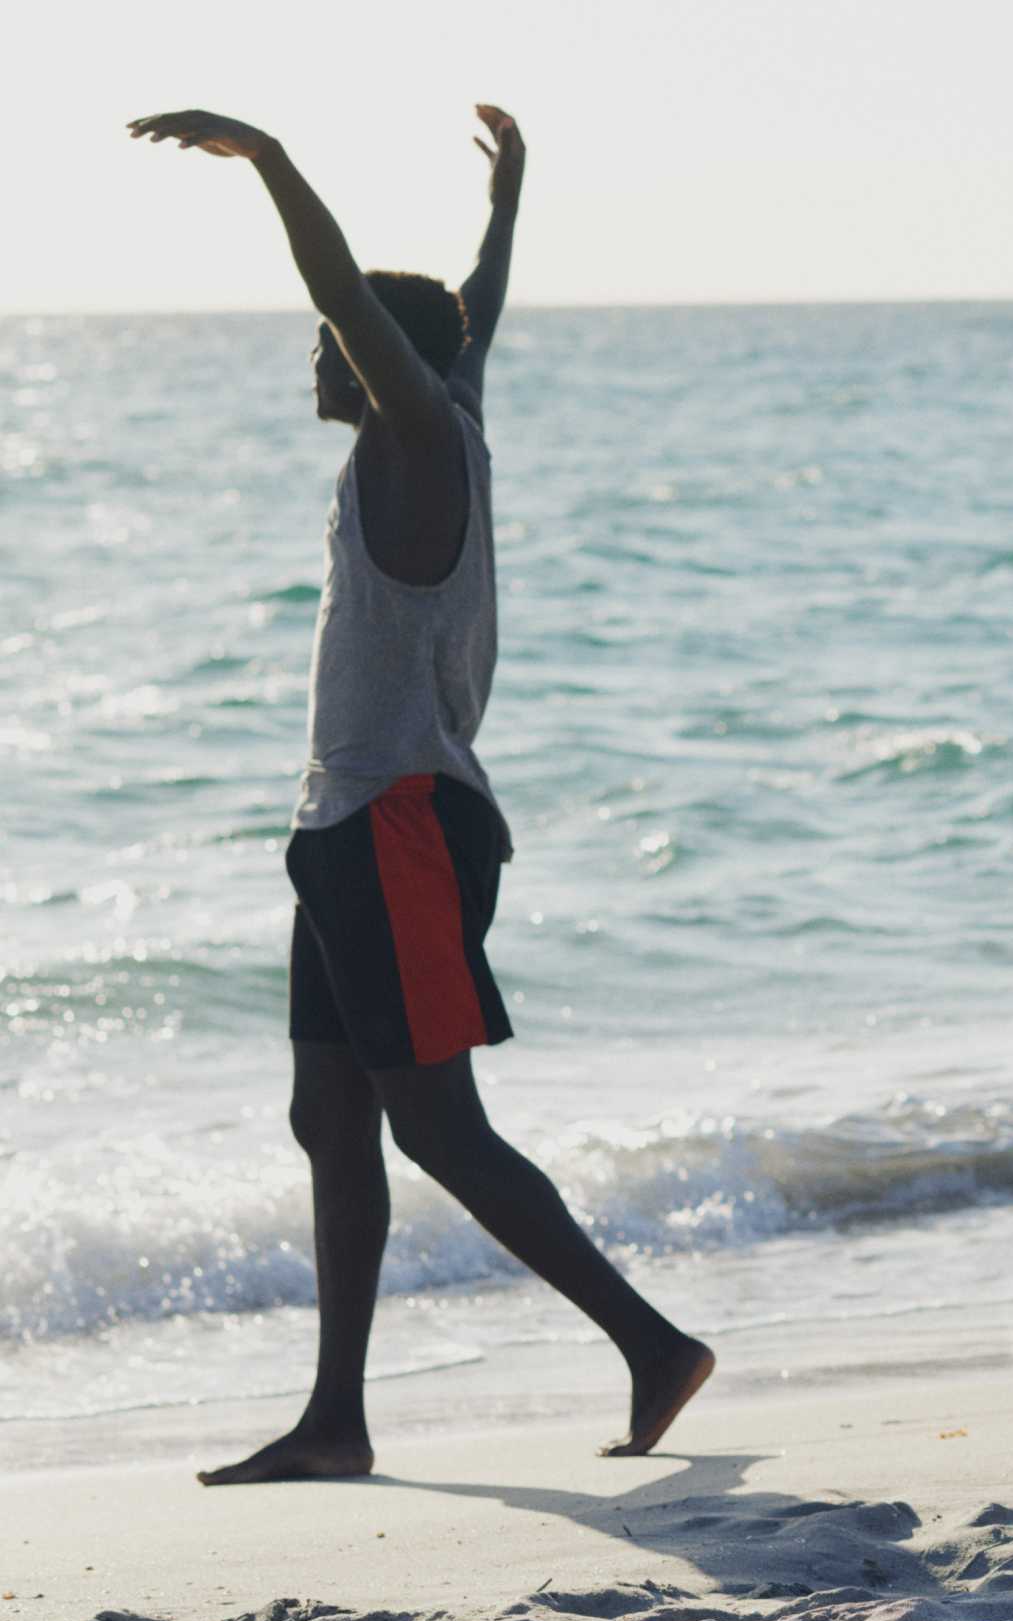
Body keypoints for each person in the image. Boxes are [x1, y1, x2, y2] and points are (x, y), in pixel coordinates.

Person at [127, 105, 715, 1483]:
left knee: (435, 1125)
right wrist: (508, 215)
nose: (316, 359)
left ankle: (650, 1342)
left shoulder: (415, 441)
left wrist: (268, 162)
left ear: (379, 360)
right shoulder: (453, 412)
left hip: (400, 823)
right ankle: (338, 1418)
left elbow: (355, 297)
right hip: (346, 825)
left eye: (336, 346)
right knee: (328, 1115)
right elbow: (476, 320)